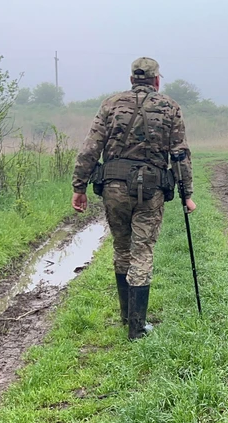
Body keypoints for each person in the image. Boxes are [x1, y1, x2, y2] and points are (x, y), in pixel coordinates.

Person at [71, 57, 195, 340]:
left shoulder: (110, 104)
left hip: (114, 188)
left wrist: (79, 186)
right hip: (150, 190)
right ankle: (136, 328)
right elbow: (180, 155)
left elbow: (90, 148)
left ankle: (127, 316)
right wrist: (187, 194)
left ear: (131, 79)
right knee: (143, 252)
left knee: (122, 248)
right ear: (156, 80)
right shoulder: (170, 107)